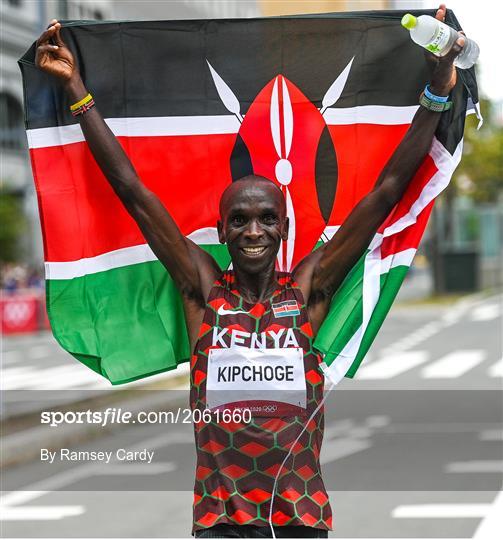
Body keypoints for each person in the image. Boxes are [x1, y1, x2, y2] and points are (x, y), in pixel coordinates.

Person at [35, 4, 463, 538]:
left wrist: (439, 87)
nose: (253, 231)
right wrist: (76, 88)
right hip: (220, 522)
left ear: (283, 228)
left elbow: (385, 192)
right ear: (221, 230)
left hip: (302, 518)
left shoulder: (311, 287)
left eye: (266, 219)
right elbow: (133, 193)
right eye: (239, 220)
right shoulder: (201, 287)